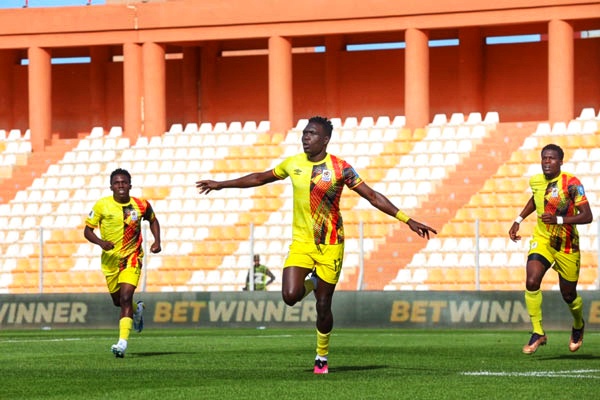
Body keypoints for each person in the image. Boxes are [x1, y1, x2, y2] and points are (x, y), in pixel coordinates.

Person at [196, 116, 437, 374]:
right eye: (304, 133)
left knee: (323, 306)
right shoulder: (293, 163)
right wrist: (221, 184)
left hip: (331, 245)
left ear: (325, 139)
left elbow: (372, 196)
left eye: (311, 134)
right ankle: (311, 282)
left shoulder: (341, 168)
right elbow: (259, 178)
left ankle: (321, 355)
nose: (305, 137)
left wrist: (407, 219)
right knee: (289, 297)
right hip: (301, 243)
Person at [509, 143, 593, 355]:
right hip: (543, 239)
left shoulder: (572, 183)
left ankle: (578, 324)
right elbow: (535, 200)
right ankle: (538, 331)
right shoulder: (536, 181)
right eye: (544, 158)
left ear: (561, 161)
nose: (547, 162)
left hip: (566, 245)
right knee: (531, 280)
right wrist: (518, 219)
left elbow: (587, 215)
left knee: (568, 294)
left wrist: (558, 219)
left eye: (552, 158)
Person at [84, 168, 162, 358]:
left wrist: (157, 241)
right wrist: (101, 243)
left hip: (132, 257)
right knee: (118, 301)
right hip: (110, 261)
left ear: (130, 185)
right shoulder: (102, 205)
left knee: (126, 297)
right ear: (111, 186)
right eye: (117, 183)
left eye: (124, 182)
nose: (121, 185)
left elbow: (153, 220)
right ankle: (138, 309)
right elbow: (87, 231)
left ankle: (122, 343)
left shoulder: (140, 204)